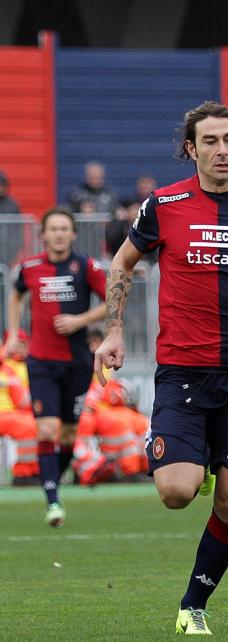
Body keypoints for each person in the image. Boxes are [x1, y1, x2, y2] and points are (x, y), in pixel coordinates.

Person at [93, 101, 228, 635]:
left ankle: (193, 605)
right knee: (175, 493)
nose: (221, 150)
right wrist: (113, 330)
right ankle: (202, 460)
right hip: (184, 373)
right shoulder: (163, 205)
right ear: (191, 149)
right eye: (209, 141)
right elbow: (122, 262)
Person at [5, 208, 107, 526]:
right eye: (53, 228)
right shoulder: (30, 267)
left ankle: (53, 482)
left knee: (68, 434)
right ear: (44, 234)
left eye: (64, 228)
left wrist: (79, 320)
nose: (59, 234)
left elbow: (113, 302)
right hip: (41, 362)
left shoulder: (86, 266)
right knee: (47, 429)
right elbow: (15, 296)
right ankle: (52, 500)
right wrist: (13, 334)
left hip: (77, 363)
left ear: (73, 233)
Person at [0, 330, 39, 483]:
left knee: (36, 423)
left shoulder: (7, 369)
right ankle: (23, 474)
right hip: (6, 414)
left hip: (11, 413)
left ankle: (34, 470)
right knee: (26, 426)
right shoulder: (8, 366)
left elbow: (21, 400)